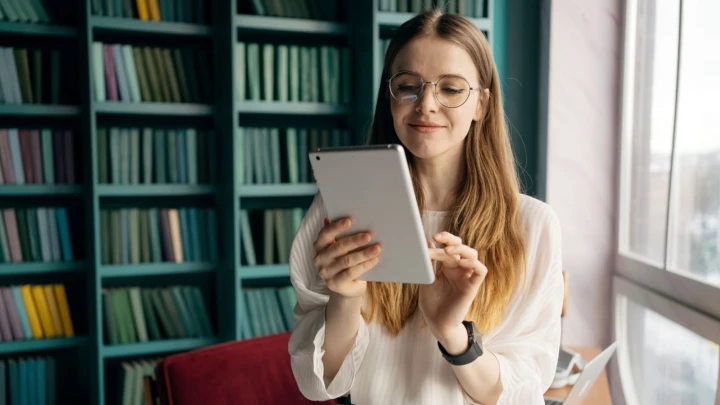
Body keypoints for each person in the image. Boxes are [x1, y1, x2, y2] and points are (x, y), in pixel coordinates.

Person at [288, 8, 563, 405]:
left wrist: (452, 331)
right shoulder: (340, 207)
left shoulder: (533, 226)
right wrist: (345, 297)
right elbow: (317, 385)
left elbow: (521, 393)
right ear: (390, 95)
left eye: (450, 89)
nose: (426, 104)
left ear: (481, 104)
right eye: (408, 86)